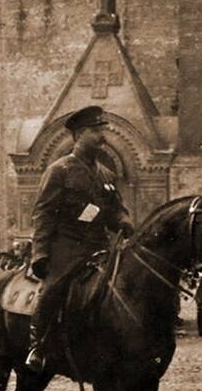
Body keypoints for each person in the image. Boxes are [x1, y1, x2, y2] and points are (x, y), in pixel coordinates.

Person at [25, 105, 134, 372]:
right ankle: (37, 345)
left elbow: (113, 209)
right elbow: (43, 213)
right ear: (79, 135)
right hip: (67, 247)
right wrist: (40, 253)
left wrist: (124, 219)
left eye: (102, 130)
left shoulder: (105, 174)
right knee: (55, 287)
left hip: (99, 247)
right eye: (96, 131)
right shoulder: (59, 170)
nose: (102, 136)